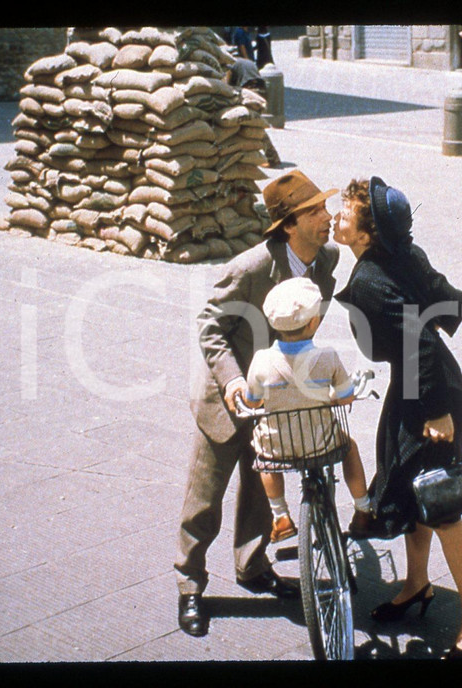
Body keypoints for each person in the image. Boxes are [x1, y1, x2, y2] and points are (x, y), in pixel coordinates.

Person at [332, 177, 462, 660]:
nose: (337, 218)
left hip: (429, 395)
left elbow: (418, 343)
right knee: (412, 488)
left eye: (344, 214)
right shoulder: (405, 253)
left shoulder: (369, 281)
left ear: (367, 234)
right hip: (424, 386)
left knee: (443, 505)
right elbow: (453, 299)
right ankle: (417, 584)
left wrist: (438, 412)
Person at [175, 170, 341, 638]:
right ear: (289, 225)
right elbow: (211, 326)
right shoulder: (250, 268)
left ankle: (252, 566)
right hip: (225, 398)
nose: (326, 218)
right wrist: (230, 382)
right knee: (204, 497)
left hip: (276, 394)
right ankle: (190, 584)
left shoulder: (327, 259)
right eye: (314, 212)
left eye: (324, 208)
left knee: (260, 487)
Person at [243, 277, 374, 542]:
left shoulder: (262, 360)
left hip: (279, 444)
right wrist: (331, 397)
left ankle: (280, 516)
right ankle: (363, 510)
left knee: (263, 456)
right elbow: (346, 396)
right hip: (321, 441)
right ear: (313, 322)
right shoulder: (327, 356)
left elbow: (253, 402)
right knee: (350, 448)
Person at [224, 56, 282, 168]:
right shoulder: (245, 61)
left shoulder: (231, 65)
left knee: (254, 127)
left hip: (251, 92)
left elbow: (228, 84)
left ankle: (272, 157)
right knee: (252, 124)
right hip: (262, 91)